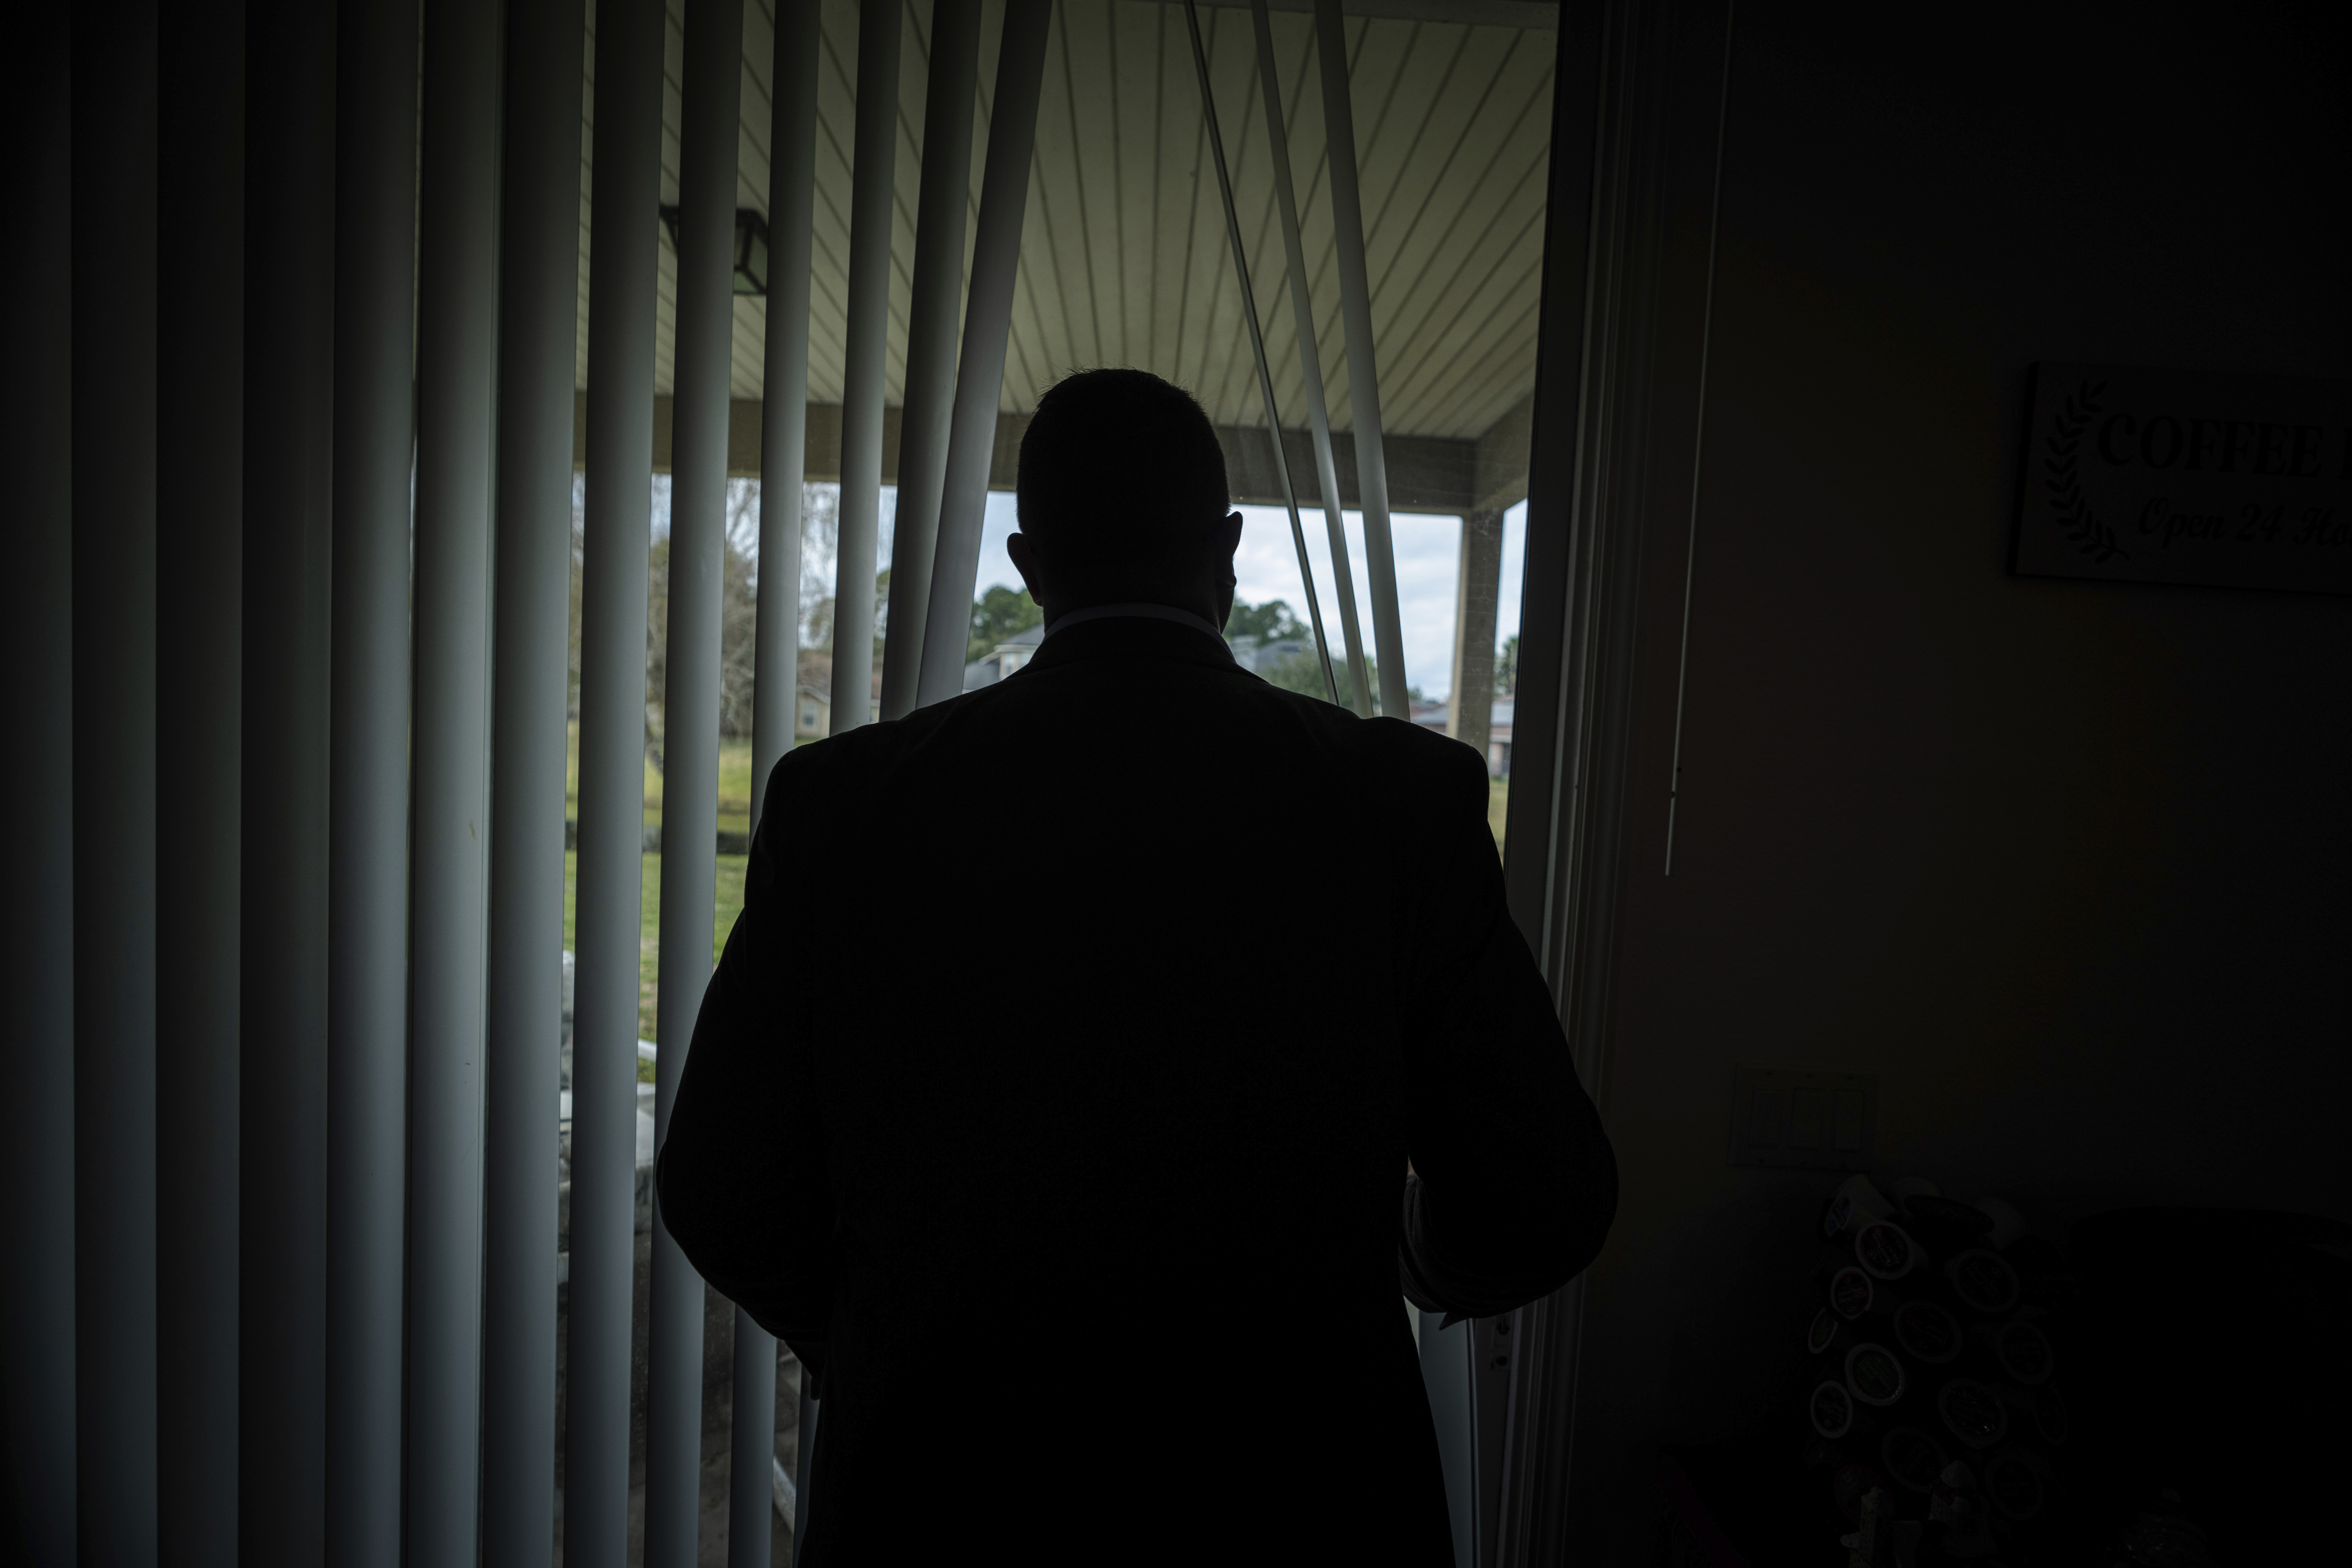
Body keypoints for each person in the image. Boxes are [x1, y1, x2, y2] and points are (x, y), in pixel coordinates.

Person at [659, 368, 1616, 1563]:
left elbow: (718, 1186)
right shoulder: (1399, 804)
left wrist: (874, 1333)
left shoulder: (843, 808)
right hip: (1303, 1504)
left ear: (1029, 564)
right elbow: (1546, 1195)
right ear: (1227, 552)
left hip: (942, 1502)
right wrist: (1409, 1259)